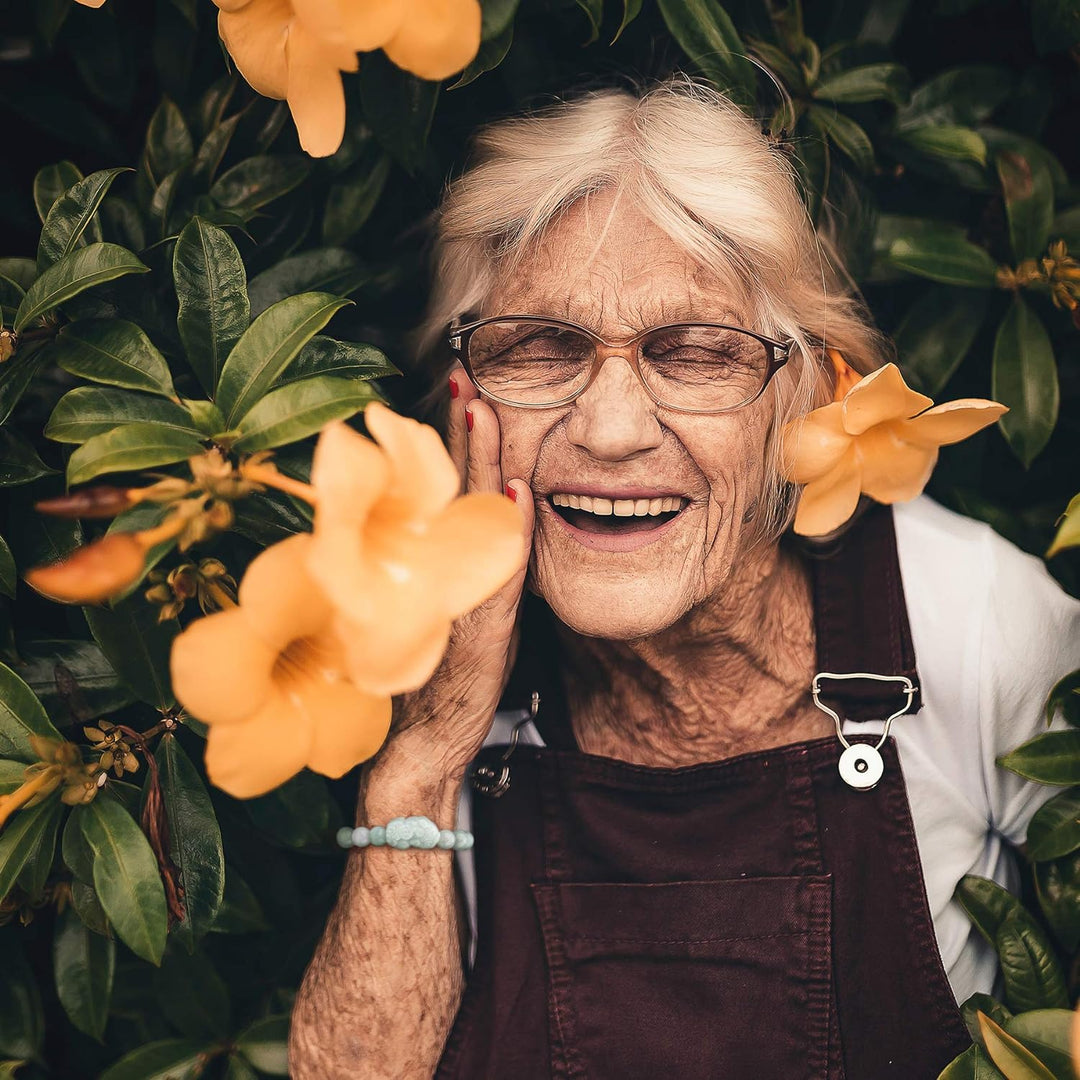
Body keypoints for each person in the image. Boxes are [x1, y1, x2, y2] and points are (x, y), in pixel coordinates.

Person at [288, 81, 1080, 1079]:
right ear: (467, 402)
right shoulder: (434, 647)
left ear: (794, 395)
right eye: (541, 347)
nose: (611, 431)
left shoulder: (972, 621)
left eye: (697, 354)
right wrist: (426, 751)